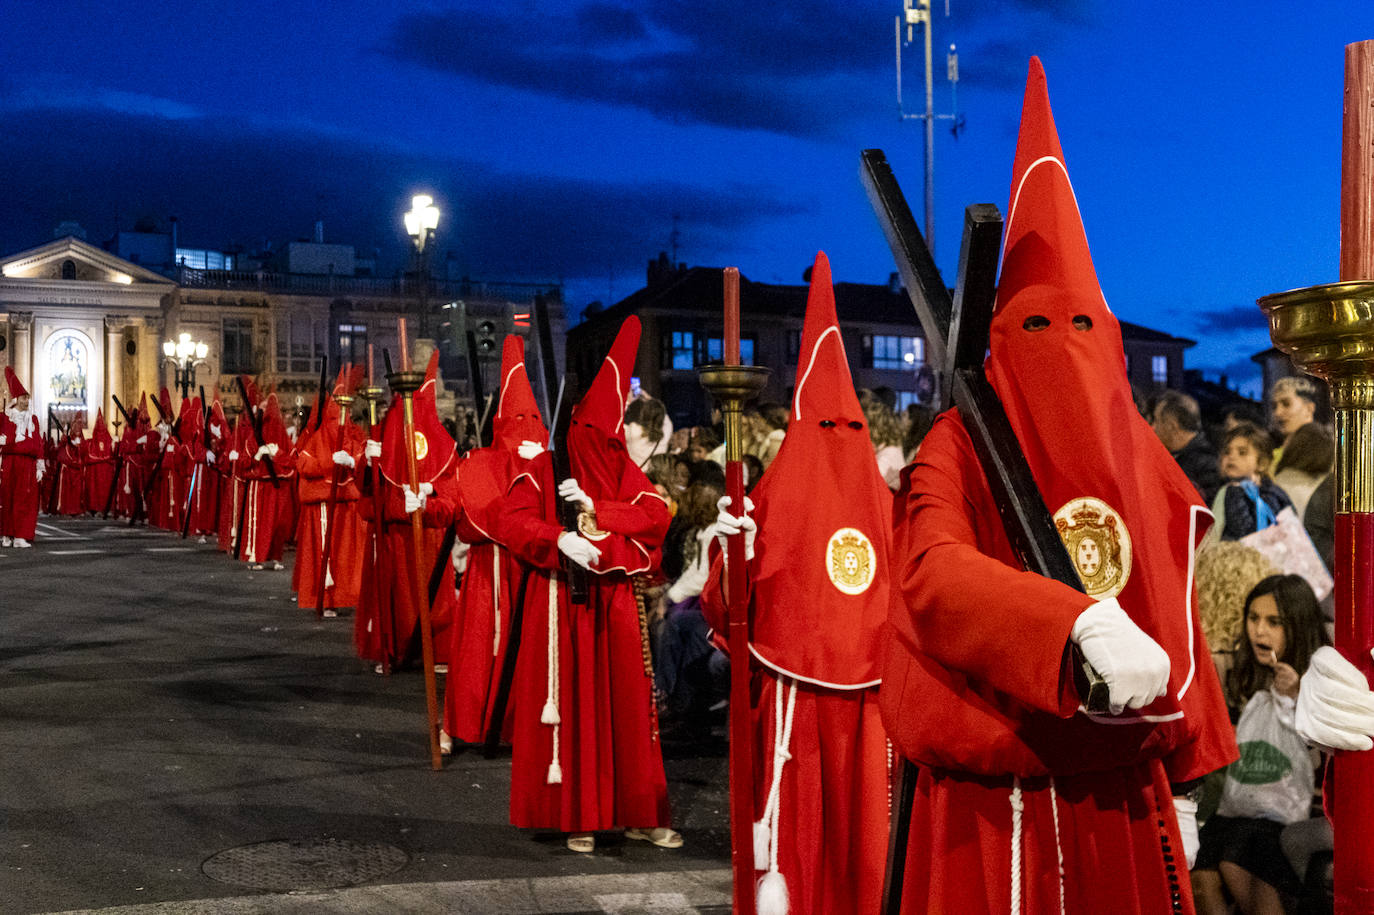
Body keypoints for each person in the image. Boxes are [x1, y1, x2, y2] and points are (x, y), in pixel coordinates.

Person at [880, 59, 1238, 912]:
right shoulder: (959, 440)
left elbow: (1168, 587)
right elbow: (932, 568)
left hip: (1124, 789)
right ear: (1002, 336)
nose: (1062, 345)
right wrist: (1067, 621)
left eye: (1081, 323)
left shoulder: (1139, 449)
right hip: (997, 804)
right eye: (1036, 325)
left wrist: (1188, 776)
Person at [706, 252, 892, 915]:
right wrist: (736, 550)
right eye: (826, 425)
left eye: (853, 428)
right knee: (801, 847)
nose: (840, 437)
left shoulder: (885, 502)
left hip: (874, 711)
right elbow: (732, 614)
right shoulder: (773, 493)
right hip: (795, 709)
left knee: (868, 848)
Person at [497, 315, 679, 855]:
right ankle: (580, 810)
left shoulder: (620, 463)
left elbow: (653, 515)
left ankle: (638, 811)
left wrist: (602, 509)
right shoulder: (545, 464)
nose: (607, 443)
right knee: (577, 710)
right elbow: (513, 521)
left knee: (628, 708)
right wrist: (557, 538)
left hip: (617, 604)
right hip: (565, 604)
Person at [1191, 574, 1330, 914]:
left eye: (1273, 622)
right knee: (1201, 869)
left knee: (1239, 858)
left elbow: (1322, 761)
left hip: (1290, 812)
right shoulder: (1241, 674)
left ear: (1296, 625)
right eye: (1253, 618)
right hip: (1238, 807)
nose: (1259, 631)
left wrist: (1299, 697)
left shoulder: (1321, 679)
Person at [432, 335, 546, 746]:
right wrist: (425, 500)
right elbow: (455, 513)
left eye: (530, 424)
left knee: (531, 653)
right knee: (477, 652)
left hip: (530, 576)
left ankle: (522, 729)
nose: (524, 434)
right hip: (487, 574)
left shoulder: (546, 467)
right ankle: (465, 723)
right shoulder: (477, 466)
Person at [354, 351, 457, 671]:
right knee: (396, 595)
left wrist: (429, 499)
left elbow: (453, 498)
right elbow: (368, 498)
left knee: (435, 595)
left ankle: (437, 650)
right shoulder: (385, 435)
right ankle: (394, 648)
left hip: (430, 538)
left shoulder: (443, 446)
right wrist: (367, 463)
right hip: (394, 539)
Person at [293, 366, 367, 615]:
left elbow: (363, 457)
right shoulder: (317, 438)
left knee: (346, 556)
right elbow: (303, 464)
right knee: (326, 556)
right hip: (324, 508)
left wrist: (352, 460)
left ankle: (346, 595)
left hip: (347, 507)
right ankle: (324, 597)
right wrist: (328, 464)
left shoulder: (354, 435)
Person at [1207, 422, 1292, 543]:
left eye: (1242, 452)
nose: (1232, 457)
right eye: (1227, 452)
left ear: (1261, 463)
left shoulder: (1269, 495)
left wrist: (1235, 494)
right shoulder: (1226, 489)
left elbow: (1247, 533)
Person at [1152, 389, 1223, 504]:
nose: (1153, 427)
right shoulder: (1178, 457)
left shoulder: (1208, 465)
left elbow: (1203, 513)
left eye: (1157, 420)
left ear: (1172, 426)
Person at [1, 367, 43, 547]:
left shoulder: (32, 420)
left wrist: (40, 464)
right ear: (17, 399)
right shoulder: (6, 417)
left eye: (28, 398)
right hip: (10, 462)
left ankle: (20, 535)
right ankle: (6, 534)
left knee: (25, 499)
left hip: (27, 464)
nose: (27, 401)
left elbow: (38, 443)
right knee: (7, 497)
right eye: (24, 398)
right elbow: (5, 441)